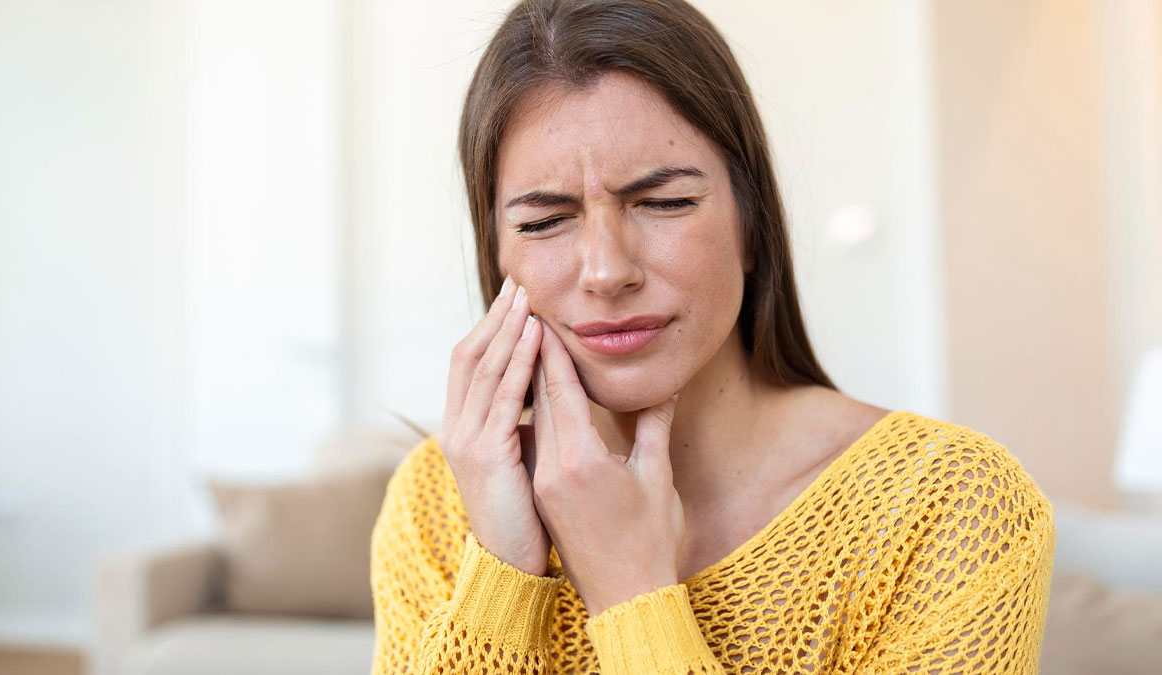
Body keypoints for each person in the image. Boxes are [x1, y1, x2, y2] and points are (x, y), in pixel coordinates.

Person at [370, 0, 1054, 673]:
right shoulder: (437, 501)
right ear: (498, 258)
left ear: (752, 227)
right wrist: (499, 579)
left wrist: (633, 594)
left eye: (663, 203)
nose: (606, 271)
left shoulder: (953, 505)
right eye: (545, 220)